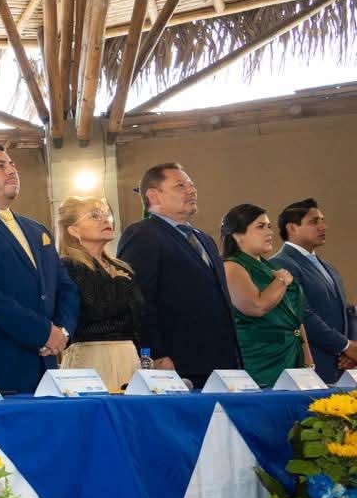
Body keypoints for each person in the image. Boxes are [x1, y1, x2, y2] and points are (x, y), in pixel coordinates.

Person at [0, 144, 79, 393]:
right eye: (0, 166)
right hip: (1, 362)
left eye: (12, 165)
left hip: (46, 362)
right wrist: (42, 332)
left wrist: (62, 331)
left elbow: (66, 287)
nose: (11, 170)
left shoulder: (36, 229)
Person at [116, 162, 240, 388]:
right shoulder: (143, 235)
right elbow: (138, 300)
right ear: (154, 195)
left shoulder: (204, 239)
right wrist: (155, 353)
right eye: (180, 186)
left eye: (192, 185)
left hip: (222, 361)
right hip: (178, 363)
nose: (191, 191)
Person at [56, 196, 143, 392]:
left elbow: (139, 314)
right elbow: (96, 309)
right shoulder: (69, 266)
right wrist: (119, 283)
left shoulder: (121, 267)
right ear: (74, 230)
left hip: (129, 354)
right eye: (94, 215)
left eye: (106, 214)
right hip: (93, 356)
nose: (105, 219)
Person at [222, 203, 313, 387]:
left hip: (292, 353)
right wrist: (281, 281)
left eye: (269, 226)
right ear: (237, 235)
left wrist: (307, 358)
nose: (269, 232)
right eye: (260, 226)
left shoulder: (271, 267)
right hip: (261, 359)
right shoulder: (232, 266)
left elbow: (295, 318)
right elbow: (256, 306)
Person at [270, 198, 356, 383]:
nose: (323, 227)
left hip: (339, 366)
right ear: (292, 228)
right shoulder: (280, 264)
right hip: (309, 364)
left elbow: (345, 311)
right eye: (314, 222)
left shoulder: (329, 267)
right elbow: (302, 315)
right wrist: (346, 346)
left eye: (322, 221)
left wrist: (351, 351)